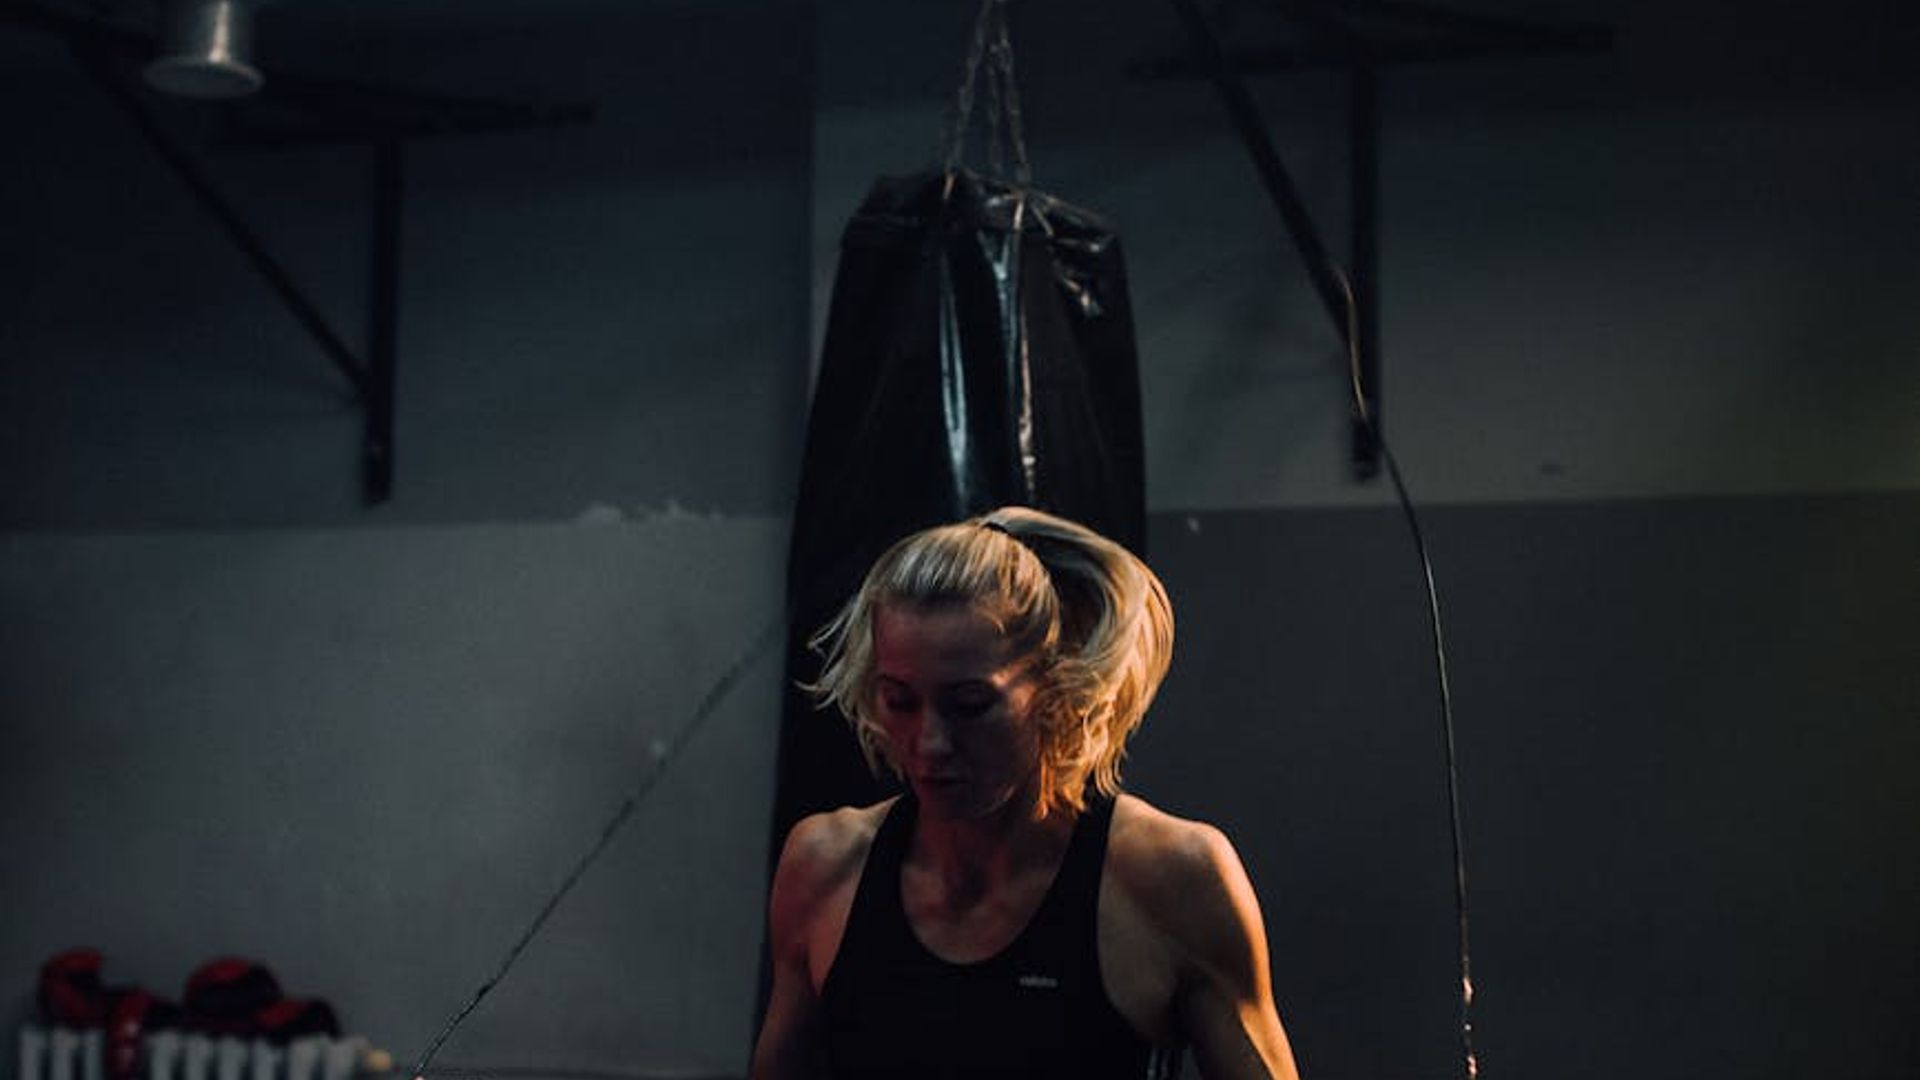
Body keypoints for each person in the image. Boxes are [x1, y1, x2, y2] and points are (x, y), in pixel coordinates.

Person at [751, 506, 1300, 1080]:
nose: (930, 742)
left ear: (1055, 689)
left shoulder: (1172, 879)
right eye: (900, 701)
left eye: (969, 706)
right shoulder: (826, 868)